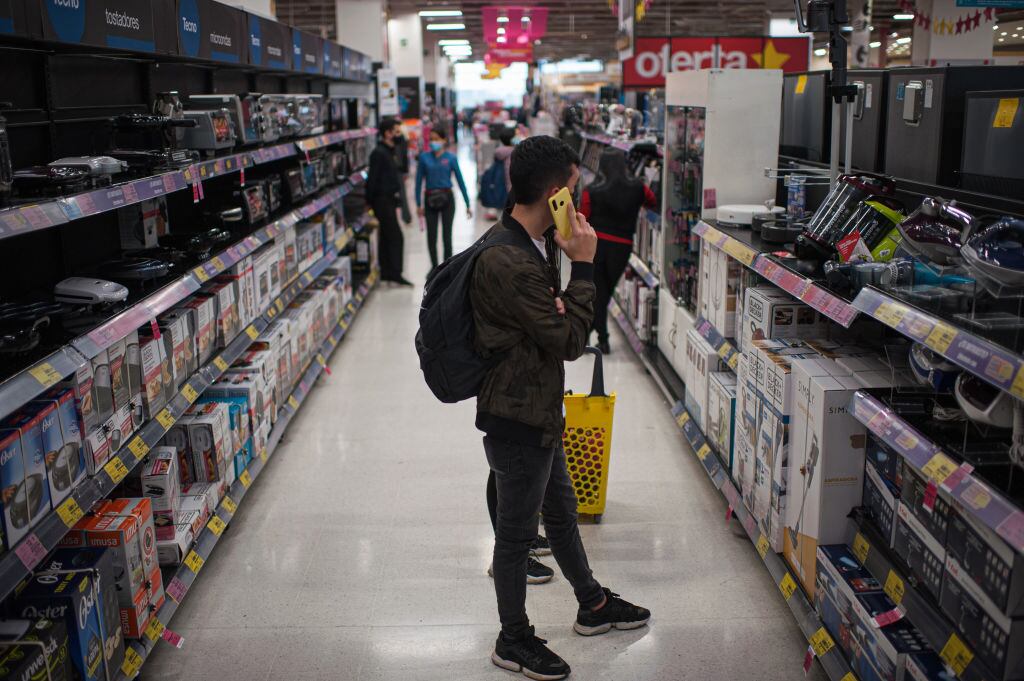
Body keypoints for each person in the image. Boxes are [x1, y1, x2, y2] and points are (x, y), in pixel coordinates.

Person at [470, 135, 650, 680]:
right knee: (516, 536)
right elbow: (571, 339)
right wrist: (585, 267)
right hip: (517, 417)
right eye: (571, 190)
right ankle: (513, 638)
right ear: (553, 194)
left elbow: (551, 328)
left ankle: (592, 605)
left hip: (539, 411)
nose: (576, 200)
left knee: (564, 517)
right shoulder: (509, 259)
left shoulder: (527, 244)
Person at [579, 147, 657, 355]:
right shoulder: (638, 188)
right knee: (605, 292)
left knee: (599, 292)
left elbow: (583, 216)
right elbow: (652, 201)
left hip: (596, 244)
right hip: (622, 247)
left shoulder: (591, 189)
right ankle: (600, 338)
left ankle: (593, 335)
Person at [415, 128, 471, 270]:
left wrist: (467, 203)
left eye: (437, 139)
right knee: (431, 236)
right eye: (431, 139)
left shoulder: (451, 158)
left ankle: (447, 267)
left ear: (444, 140)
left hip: (447, 199)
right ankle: (434, 267)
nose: (434, 142)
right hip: (429, 199)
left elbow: (460, 181)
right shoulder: (424, 158)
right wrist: (418, 204)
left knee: (447, 235)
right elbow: (418, 181)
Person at [365, 117, 412, 286]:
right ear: (387, 133)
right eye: (396, 131)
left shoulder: (391, 150)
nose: (400, 135)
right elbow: (373, 179)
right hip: (381, 200)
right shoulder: (379, 153)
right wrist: (369, 202)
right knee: (396, 236)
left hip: (390, 199)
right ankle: (395, 273)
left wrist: (403, 144)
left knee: (386, 236)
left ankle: (387, 273)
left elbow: (403, 168)